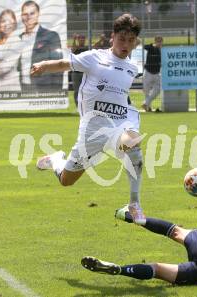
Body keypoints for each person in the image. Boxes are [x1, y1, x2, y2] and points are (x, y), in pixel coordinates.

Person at [33, 14, 146, 224]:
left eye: (131, 41)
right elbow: (64, 63)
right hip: (92, 130)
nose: (126, 45)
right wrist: (44, 65)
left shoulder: (132, 67)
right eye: (122, 39)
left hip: (120, 124)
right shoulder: (95, 57)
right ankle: (56, 159)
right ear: (113, 37)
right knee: (67, 181)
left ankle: (134, 203)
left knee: (133, 144)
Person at [19, 0, 63, 92]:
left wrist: (56, 91)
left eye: (32, 13)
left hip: (44, 88)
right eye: (25, 14)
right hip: (24, 87)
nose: (28, 17)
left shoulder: (51, 36)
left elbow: (58, 65)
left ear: (38, 14)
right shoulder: (19, 38)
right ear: (21, 16)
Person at [141, 36, 163, 112]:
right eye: (158, 41)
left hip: (157, 73)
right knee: (146, 91)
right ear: (155, 41)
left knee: (157, 90)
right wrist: (152, 45)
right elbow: (144, 47)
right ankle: (148, 107)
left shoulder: (161, 50)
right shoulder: (151, 48)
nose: (159, 43)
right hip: (148, 72)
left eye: (161, 41)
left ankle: (146, 103)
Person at [71, 34, 88, 106]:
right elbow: (73, 49)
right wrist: (74, 40)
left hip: (85, 72)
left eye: (83, 38)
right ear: (78, 40)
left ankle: (85, 105)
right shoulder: (76, 48)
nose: (82, 40)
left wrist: (101, 40)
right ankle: (77, 106)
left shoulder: (87, 48)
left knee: (87, 90)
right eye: (80, 38)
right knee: (77, 90)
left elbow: (96, 46)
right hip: (76, 73)